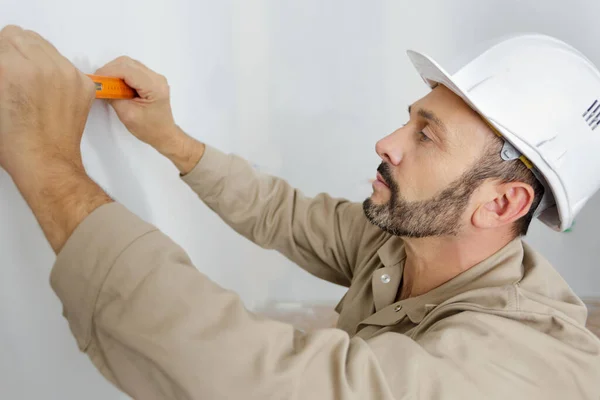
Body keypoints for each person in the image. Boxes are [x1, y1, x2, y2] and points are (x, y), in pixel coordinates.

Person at [0, 24, 599, 400]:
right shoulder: (407, 243)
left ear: (502, 202)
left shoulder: (515, 367)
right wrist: (170, 139)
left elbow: (256, 381)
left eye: (426, 136)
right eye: (408, 118)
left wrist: (50, 166)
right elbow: (283, 213)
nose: (387, 142)